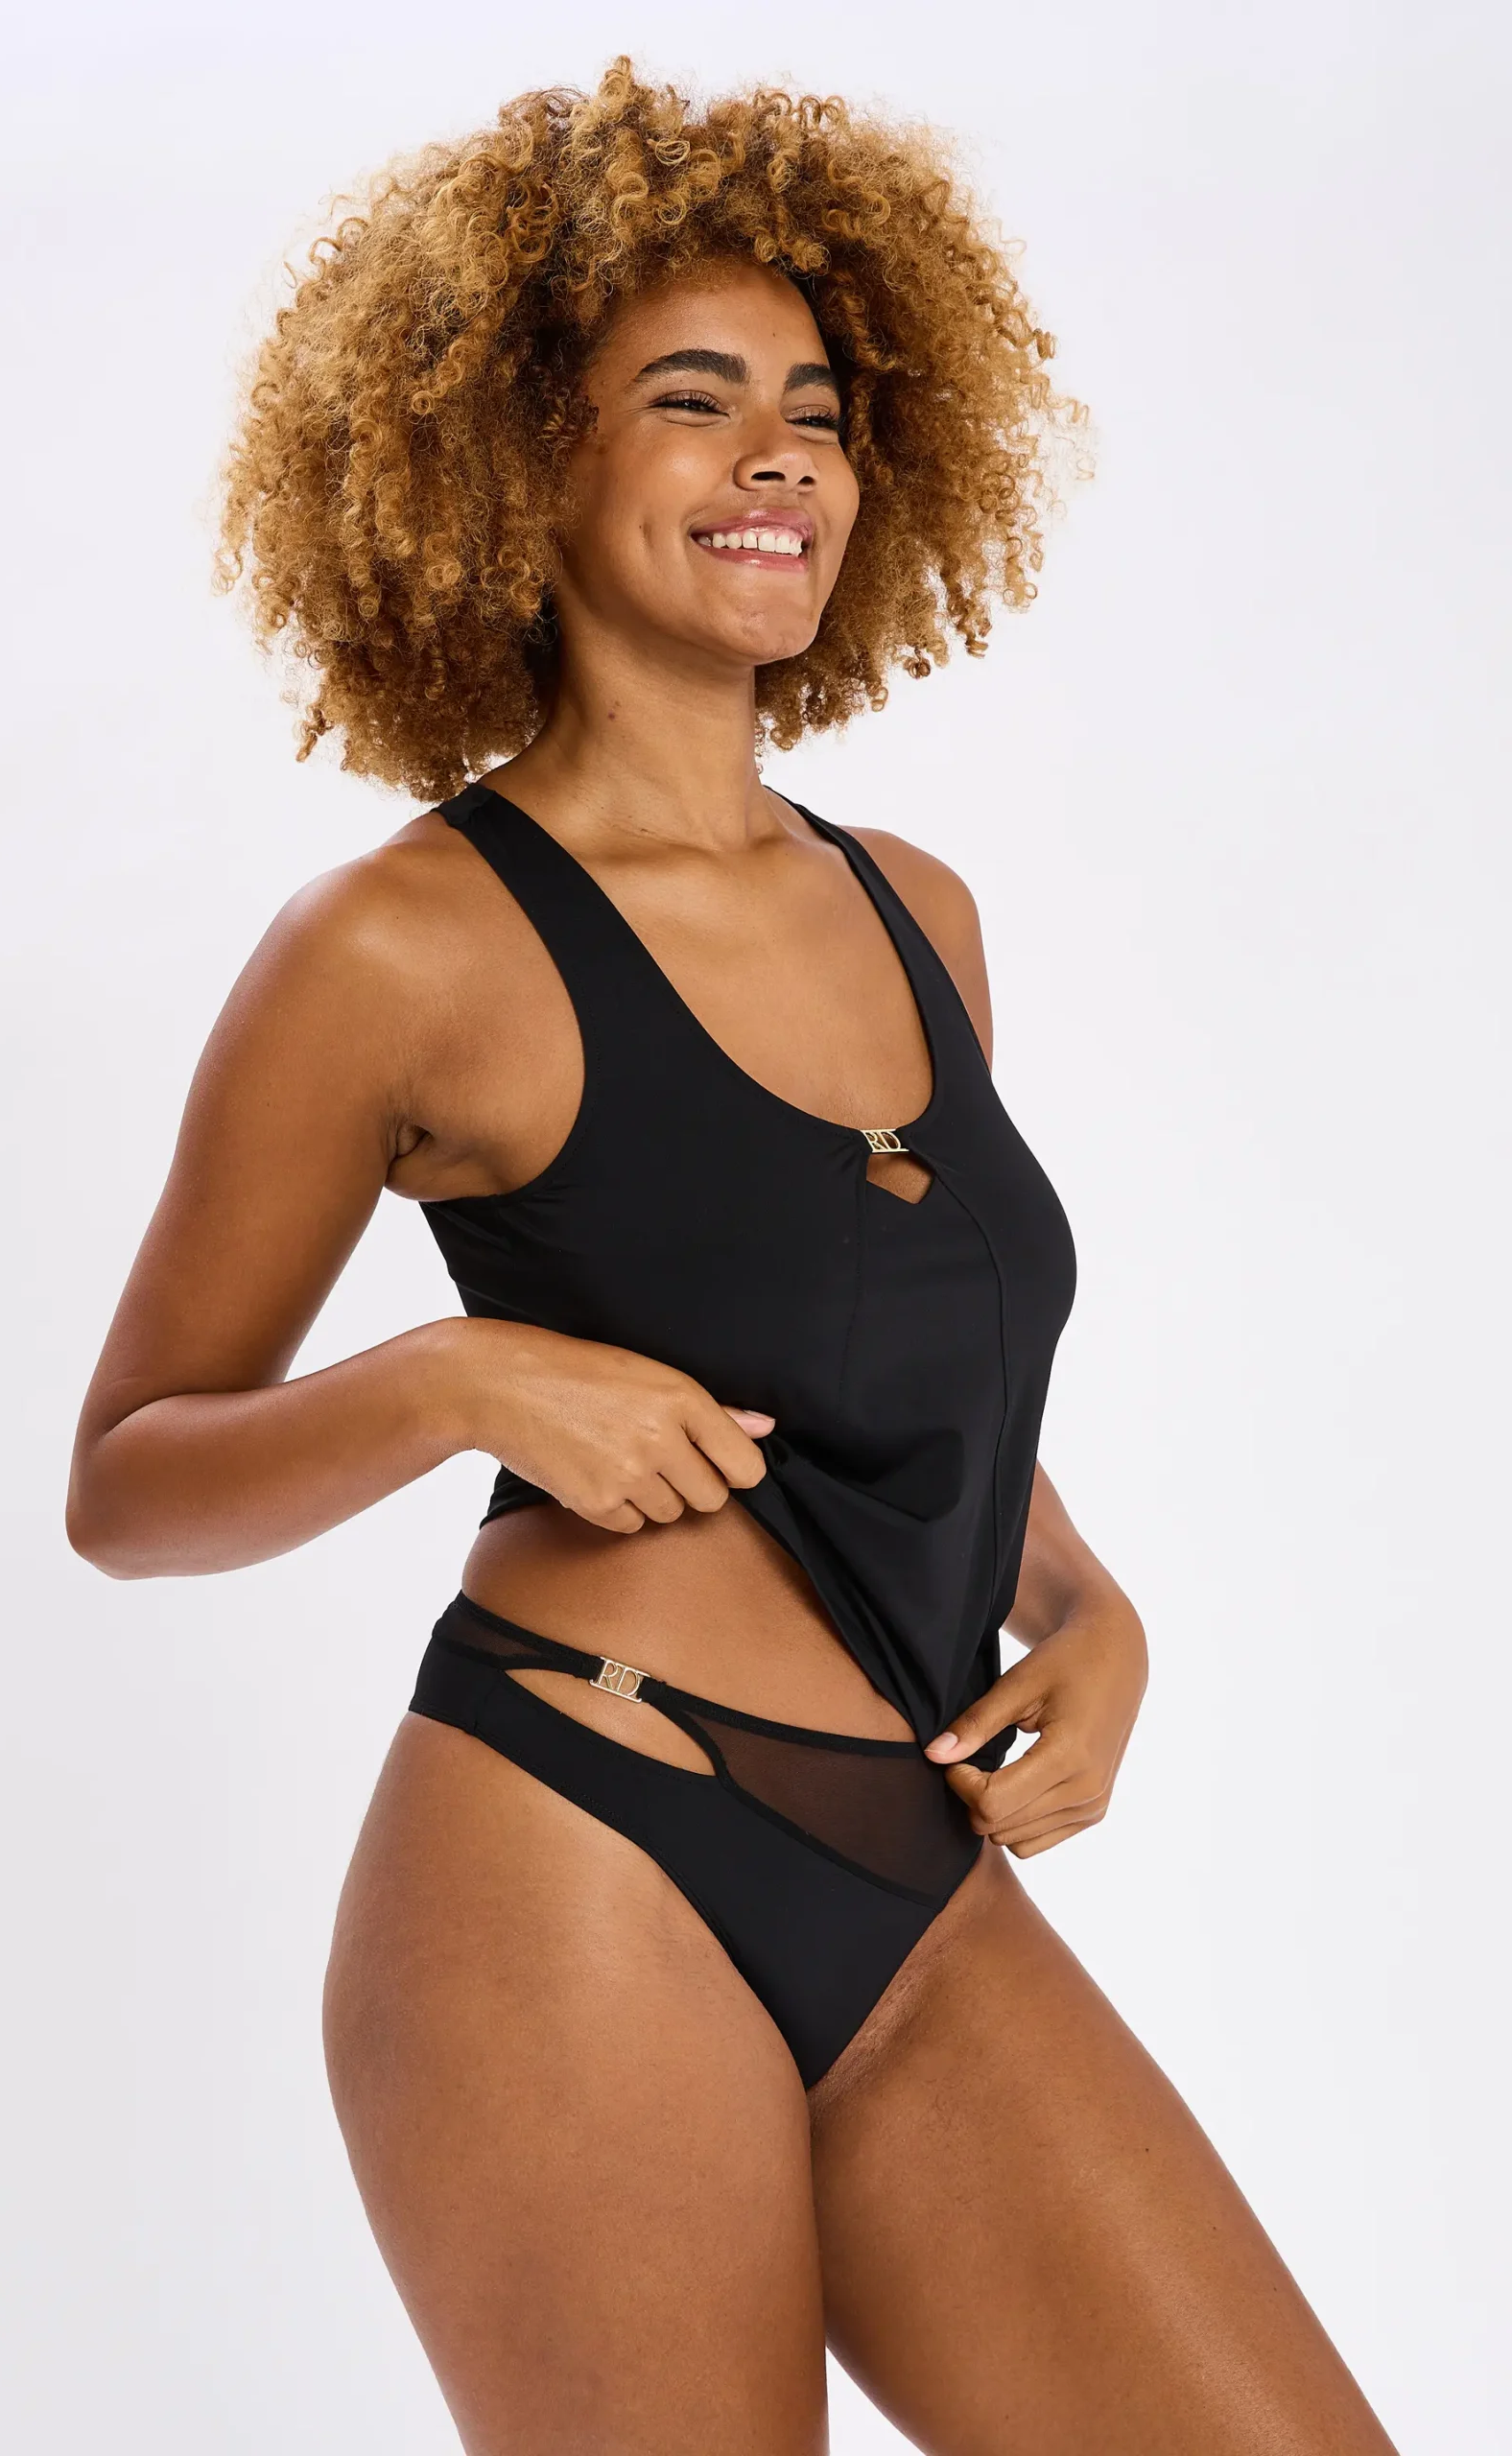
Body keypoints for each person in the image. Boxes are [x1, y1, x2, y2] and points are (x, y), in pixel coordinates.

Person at [67, 60, 1398, 2456]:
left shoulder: (917, 911)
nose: (777, 456)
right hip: (571, 1839)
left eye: (816, 411)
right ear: (520, 462)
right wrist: (459, 1383)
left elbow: (896, 1365)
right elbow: (128, 1480)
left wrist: (1086, 1602)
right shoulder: (395, 945)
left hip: (907, 1863)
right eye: (692, 401)